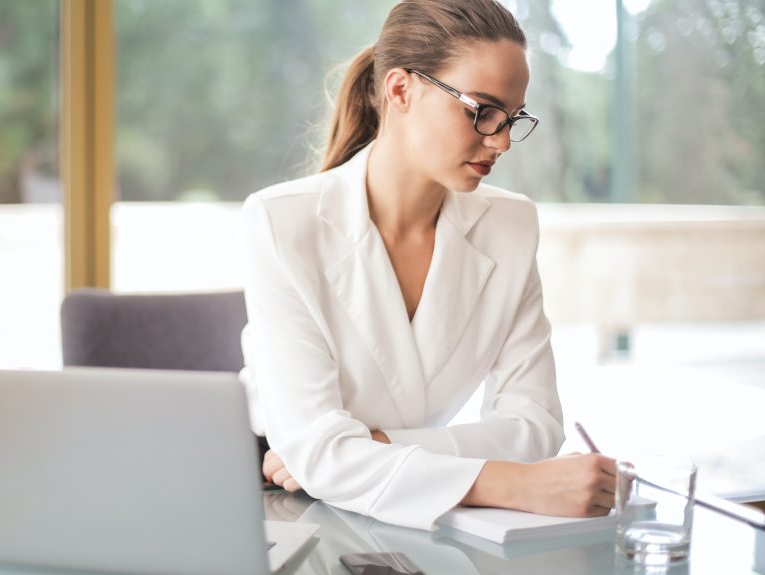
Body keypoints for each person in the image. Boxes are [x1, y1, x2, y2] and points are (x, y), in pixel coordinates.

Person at [238, 0, 616, 531]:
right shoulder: (280, 222)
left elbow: (534, 425)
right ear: (400, 90)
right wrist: (510, 482)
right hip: (277, 505)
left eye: (513, 118)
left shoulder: (509, 226)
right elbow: (318, 456)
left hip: (400, 509)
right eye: (481, 110)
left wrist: (379, 447)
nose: (502, 140)